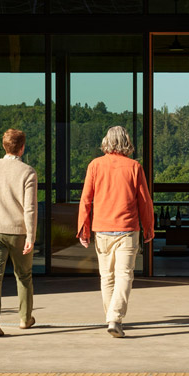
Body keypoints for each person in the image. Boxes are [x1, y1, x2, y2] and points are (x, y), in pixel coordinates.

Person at [74, 124, 158, 337]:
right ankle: (115, 317)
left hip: (101, 229)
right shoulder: (134, 167)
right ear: (126, 142)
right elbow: (145, 201)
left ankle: (112, 318)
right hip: (127, 229)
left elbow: (86, 199)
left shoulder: (95, 165)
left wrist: (83, 228)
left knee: (107, 277)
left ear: (106, 142)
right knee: (124, 276)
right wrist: (149, 227)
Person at [0, 128, 38, 337]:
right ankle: (25, 318)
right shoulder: (27, 172)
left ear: (4, 146)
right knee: (24, 275)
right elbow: (29, 208)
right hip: (19, 232)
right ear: (22, 148)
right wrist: (31, 235)